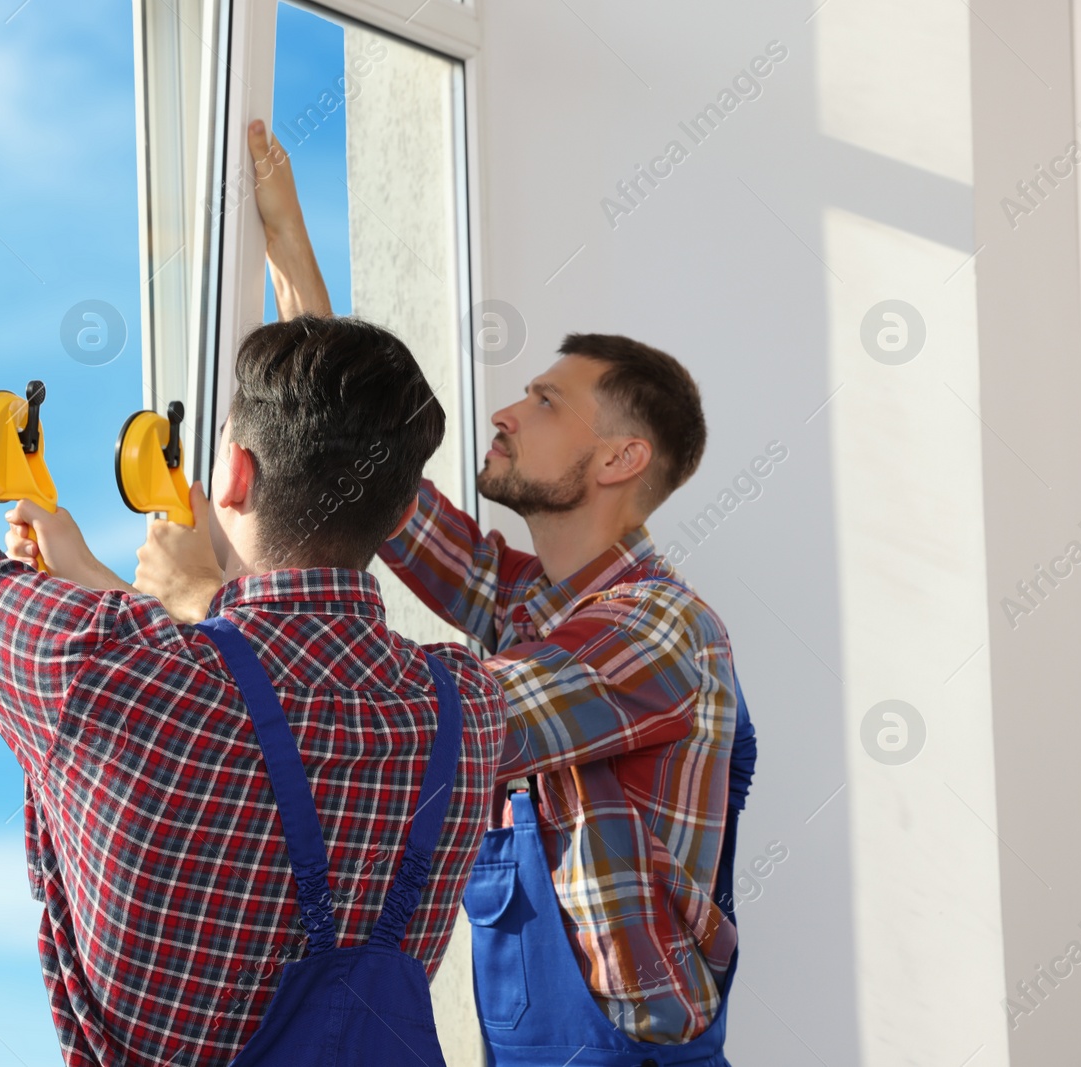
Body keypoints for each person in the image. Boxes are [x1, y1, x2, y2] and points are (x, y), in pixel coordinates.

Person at [0, 150, 505, 1065]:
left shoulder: (103, 668)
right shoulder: (466, 712)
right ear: (403, 512)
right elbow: (277, 710)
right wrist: (97, 579)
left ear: (233, 475)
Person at [135, 121, 756, 1062]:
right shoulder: (533, 605)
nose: (507, 408)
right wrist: (293, 257)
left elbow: (423, 728)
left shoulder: (660, 629)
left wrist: (208, 602)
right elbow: (362, 483)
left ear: (621, 458)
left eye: (547, 402)